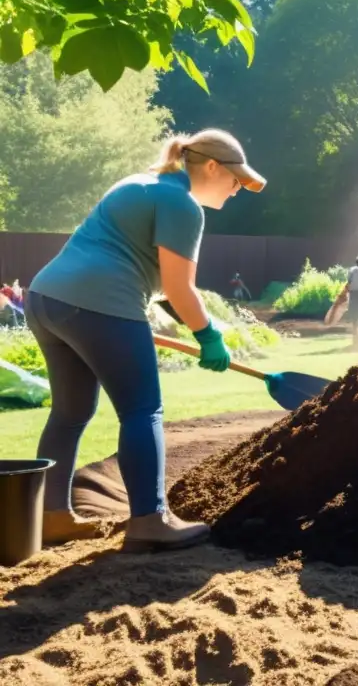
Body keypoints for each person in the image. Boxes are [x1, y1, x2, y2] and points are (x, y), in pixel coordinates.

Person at [26, 128, 266, 551]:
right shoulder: (183, 204)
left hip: (47, 300)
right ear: (211, 166)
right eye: (235, 180)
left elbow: (132, 268)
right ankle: (150, 521)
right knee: (142, 410)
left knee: (70, 412)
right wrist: (209, 336)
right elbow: (179, 288)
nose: (236, 191)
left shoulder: (140, 184)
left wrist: (132, 319)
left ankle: (50, 517)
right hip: (99, 302)